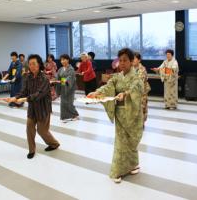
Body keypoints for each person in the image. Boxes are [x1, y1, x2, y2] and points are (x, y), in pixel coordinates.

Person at [88, 48, 144, 183]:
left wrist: (125, 94)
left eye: (125, 60)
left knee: (131, 142)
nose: (122, 63)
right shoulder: (117, 77)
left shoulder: (137, 77)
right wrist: (96, 92)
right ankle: (117, 170)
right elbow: (108, 87)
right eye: (121, 61)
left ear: (131, 61)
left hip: (133, 113)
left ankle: (133, 164)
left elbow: (136, 88)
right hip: (120, 114)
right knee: (120, 142)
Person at [5, 54, 60, 159]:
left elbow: (39, 94)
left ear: (39, 64)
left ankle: (54, 144)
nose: (31, 66)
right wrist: (14, 98)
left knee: (42, 130)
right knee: (29, 128)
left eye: (34, 64)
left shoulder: (44, 78)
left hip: (43, 108)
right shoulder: (28, 77)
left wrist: (24, 99)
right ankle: (31, 150)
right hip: (32, 108)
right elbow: (23, 91)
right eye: (30, 64)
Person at [55, 54, 79, 123]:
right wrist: (55, 80)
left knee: (69, 103)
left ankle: (75, 115)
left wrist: (61, 81)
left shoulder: (71, 69)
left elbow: (69, 79)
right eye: (61, 60)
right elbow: (58, 77)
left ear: (68, 60)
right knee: (63, 103)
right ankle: (65, 116)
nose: (62, 61)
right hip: (63, 88)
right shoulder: (60, 69)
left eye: (64, 59)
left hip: (70, 88)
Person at [133, 52, 151, 124]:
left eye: (134, 58)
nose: (133, 60)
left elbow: (139, 81)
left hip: (141, 93)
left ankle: (141, 123)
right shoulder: (130, 68)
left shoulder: (142, 69)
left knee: (141, 108)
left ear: (139, 60)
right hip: (132, 93)